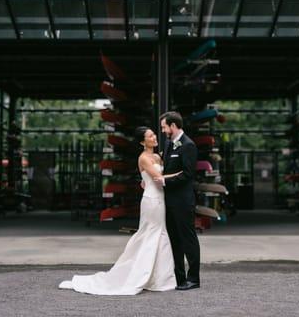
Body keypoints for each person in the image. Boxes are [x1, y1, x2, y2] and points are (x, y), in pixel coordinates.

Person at [58, 127, 180, 295]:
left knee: (159, 233)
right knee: (150, 234)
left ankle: (159, 278)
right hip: (152, 201)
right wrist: (181, 174)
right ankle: (142, 274)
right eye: (150, 136)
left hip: (160, 199)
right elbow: (157, 178)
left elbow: (146, 181)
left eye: (153, 134)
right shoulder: (143, 158)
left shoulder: (158, 156)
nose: (154, 137)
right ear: (142, 142)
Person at [158, 111, 201, 290]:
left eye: (164, 127)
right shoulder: (169, 144)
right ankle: (179, 277)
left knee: (188, 239)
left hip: (183, 202)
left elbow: (188, 174)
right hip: (168, 201)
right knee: (174, 239)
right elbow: (164, 168)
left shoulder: (189, 145)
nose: (163, 131)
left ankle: (194, 279)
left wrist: (165, 181)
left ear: (173, 126)